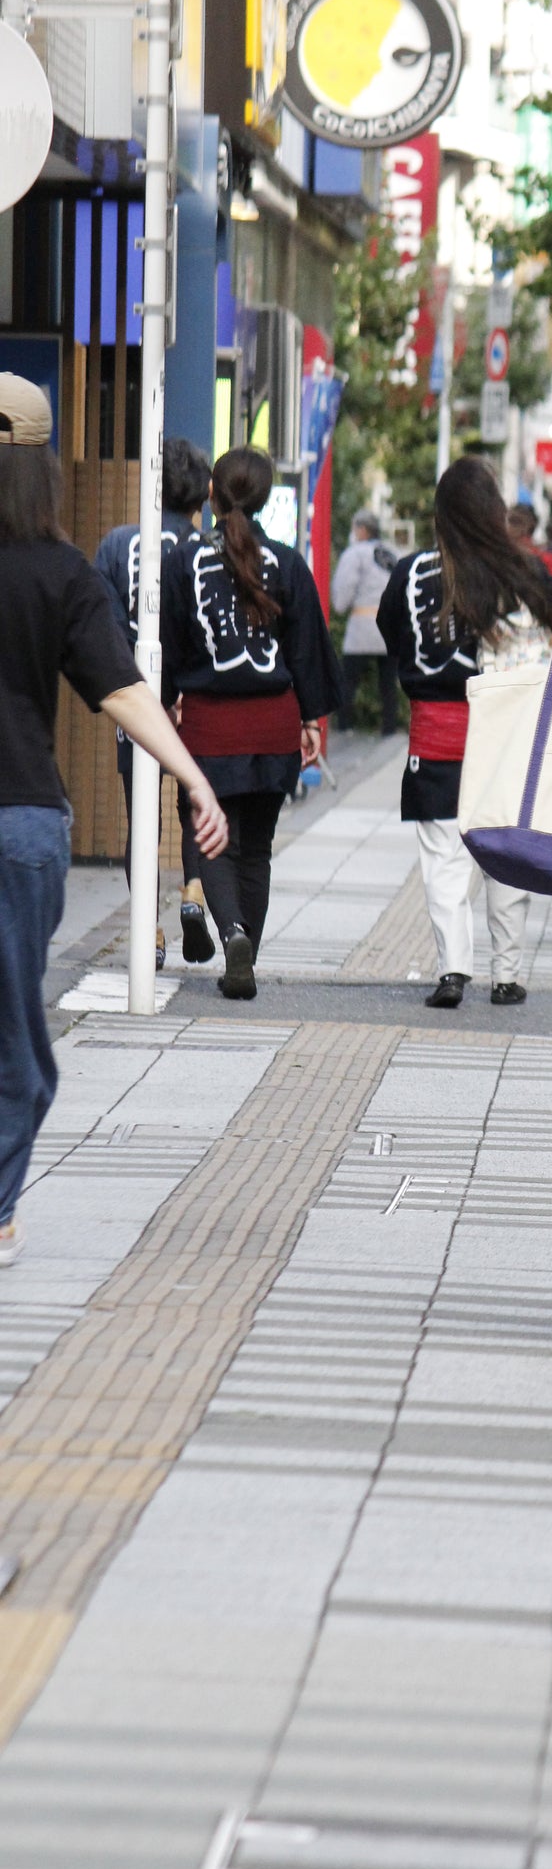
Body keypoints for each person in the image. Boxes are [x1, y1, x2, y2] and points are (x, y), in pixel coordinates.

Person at [0, 374, 228, 1264]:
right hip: (21, 824)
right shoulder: (60, 572)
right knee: (16, 1034)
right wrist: (195, 781)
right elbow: (126, 692)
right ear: (43, 469)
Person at [378, 457, 552, 1010]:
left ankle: (453, 970)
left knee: (444, 859)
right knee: (507, 852)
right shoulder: (525, 575)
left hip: (437, 736)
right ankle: (506, 975)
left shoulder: (411, 576)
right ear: (495, 512)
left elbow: (395, 640)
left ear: (440, 515)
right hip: (508, 735)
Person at [160, 445, 344, 1001]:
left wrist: (166, 702)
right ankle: (247, 959)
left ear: (211, 494)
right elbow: (307, 648)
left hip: (210, 726)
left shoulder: (183, 560)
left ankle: (233, 933)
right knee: (257, 847)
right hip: (273, 725)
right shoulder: (286, 563)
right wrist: (311, 718)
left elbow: (166, 644)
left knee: (212, 839)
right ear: (264, 498)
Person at [95, 436, 215, 966]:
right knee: (194, 802)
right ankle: (193, 889)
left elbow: (107, 626)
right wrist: (186, 690)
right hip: (192, 699)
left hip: (136, 695)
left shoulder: (118, 543)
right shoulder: (205, 548)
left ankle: (150, 930)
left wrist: (136, 687)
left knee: (139, 814)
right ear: (204, 493)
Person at [331, 510, 400, 734]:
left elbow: (344, 589)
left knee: (349, 678)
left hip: (362, 623)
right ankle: (389, 728)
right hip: (389, 625)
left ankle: (345, 725)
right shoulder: (391, 552)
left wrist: (340, 605)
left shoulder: (355, 554)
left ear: (362, 529)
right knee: (388, 682)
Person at [507, 499, 552, 577]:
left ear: (527, 527)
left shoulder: (546, 560)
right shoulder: (548, 559)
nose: (508, 526)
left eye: (514, 521)